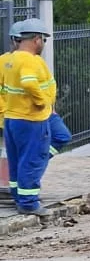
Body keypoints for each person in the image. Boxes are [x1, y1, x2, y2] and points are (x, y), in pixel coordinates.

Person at [2, 19, 56, 216]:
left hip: (12, 118)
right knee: (32, 160)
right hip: (31, 119)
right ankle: (29, 203)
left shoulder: (9, 60)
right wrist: (42, 102)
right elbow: (29, 82)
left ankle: (19, 196)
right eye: (43, 40)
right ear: (36, 39)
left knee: (17, 160)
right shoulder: (30, 60)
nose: (42, 44)